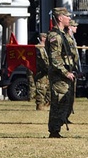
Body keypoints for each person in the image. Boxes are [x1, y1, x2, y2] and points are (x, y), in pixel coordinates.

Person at [45, 7, 79, 138]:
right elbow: (55, 58)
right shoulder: (54, 36)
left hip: (67, 74)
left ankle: (57, 128)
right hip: (59, 76)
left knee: (66, 102)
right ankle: (54, 130)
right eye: (67, 16)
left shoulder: (63, 34)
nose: (69, 19)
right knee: (59, 102)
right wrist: (65, 72)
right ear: (60, 18)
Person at [34, 32, 50, 110]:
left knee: (49, 89)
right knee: (41, 89)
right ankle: (40, 106)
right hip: (41, 72)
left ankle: (47, 104)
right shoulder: (38, 48)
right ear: (43, 38)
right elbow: (42, 60)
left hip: (49, 72)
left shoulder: (46, 47)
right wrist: (48, 68)